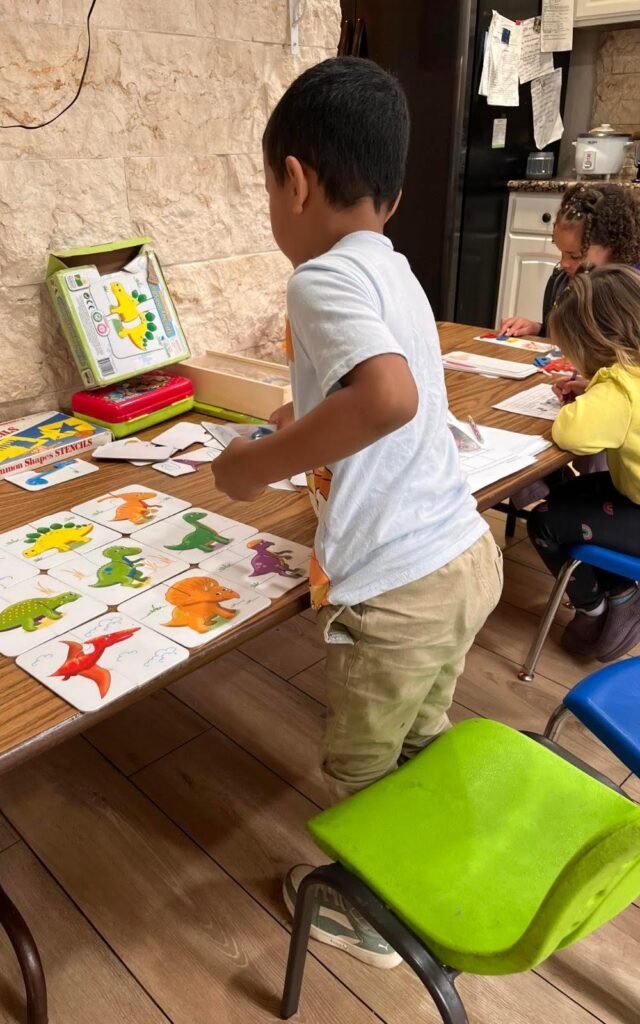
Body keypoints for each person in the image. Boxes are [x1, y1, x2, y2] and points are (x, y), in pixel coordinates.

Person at [212, 56, 503, 969]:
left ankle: (374, 919)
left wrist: (252, 467)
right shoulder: (393, 268)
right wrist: (299, 418)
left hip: (397, 588)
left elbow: (387, 397)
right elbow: (373, 385)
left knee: (359, 764)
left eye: (267, 188)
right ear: (395, 191)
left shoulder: (318, 278)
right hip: (466, 561)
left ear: (294, 182)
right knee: (422, 730)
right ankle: (429, 849)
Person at [527, 265, 640, 661]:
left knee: (544, 520)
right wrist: (595, 387)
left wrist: (594, 391)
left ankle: (605, 603)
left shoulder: (619, 387)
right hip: (629, 493)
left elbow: (570, 433)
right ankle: (617, 590)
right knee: (572, 496)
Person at [499, 183, 640, 339]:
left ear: (614, 248)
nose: (563, 263)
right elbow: (563, 338)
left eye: (575, 256)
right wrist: (538, 330)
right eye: (561, 252)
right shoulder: (561, 283)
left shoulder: (631, 295)